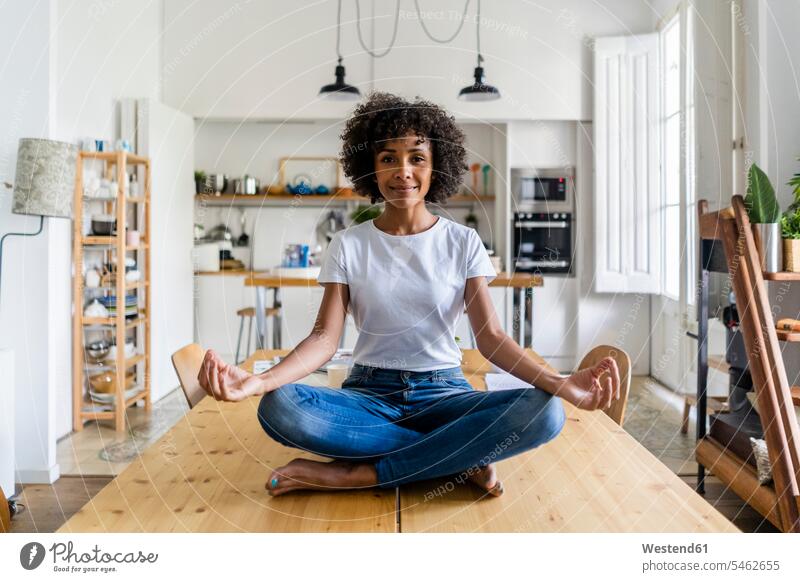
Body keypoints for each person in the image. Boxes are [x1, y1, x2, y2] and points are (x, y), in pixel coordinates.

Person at [198, 92, 620, 498]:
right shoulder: (348, 244)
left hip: (446, 394)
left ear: (436, 167)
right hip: (367, 395)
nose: (403, 171)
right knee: (279, 407)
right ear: (370, 169)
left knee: (547, 412)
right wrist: (258, 381)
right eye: (388, 159)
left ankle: (362, 474)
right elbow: (325, 340)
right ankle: (454, 457)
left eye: (417, 158)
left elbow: (490, 338)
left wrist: (561, 384)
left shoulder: (463, 242)